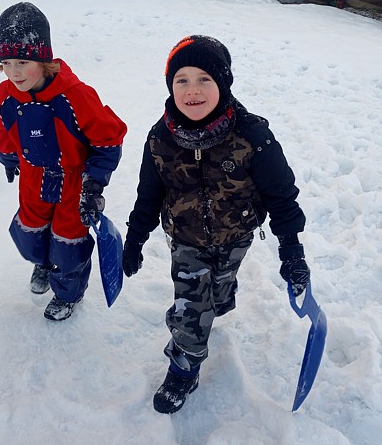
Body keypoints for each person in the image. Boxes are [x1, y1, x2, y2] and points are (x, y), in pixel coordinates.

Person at [122, 35, 310, 413]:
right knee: (191, 308)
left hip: (237, 234)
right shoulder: (160, 139)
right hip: (186, 239)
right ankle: (184, 367)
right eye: (182, 80)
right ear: (170, 86)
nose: (193, 90)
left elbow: (281, 194)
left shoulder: (252, 136)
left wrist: (292, 249)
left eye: (204, 79)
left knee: (220, 289)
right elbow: (148, 194)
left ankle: (220, 296)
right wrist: (135, 238)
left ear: (223, 83)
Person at [0, 2, 127, 321]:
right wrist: (8, 156)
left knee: (68, 238)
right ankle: (43, 262)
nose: (14, 72)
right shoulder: (5, 96)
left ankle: (67, 291)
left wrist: (94, 183)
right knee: (33, 227)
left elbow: (108, 138)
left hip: (72, 180)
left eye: (22, 61)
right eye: (6, 63)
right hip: (33, 177)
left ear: (43, 58)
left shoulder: (75, 96)